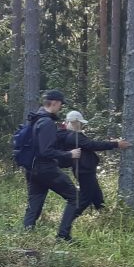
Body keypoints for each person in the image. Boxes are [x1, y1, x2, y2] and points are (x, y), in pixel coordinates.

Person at [20, 90, 83, 241]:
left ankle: (25, 238)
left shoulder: (35, 119)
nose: (60, 107)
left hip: (31, 169)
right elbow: (46, 151)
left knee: (34, 204)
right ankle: (63, 236)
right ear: (54, 103)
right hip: (46, 169)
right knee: (75, 198)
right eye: (60, 104)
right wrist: (69, 155)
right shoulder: (47, 122)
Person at [59, 110, 130, 215]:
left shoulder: (73, 135)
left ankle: (104, 215)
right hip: (84, 170)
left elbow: (90, 145)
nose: (81, 125)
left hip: (86, 169)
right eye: (79, 123)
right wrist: (116, 144)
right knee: (85, 198)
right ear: (74, 122)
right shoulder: (73, 136)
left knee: (96, 195)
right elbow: (92, 145)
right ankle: (69, 218)